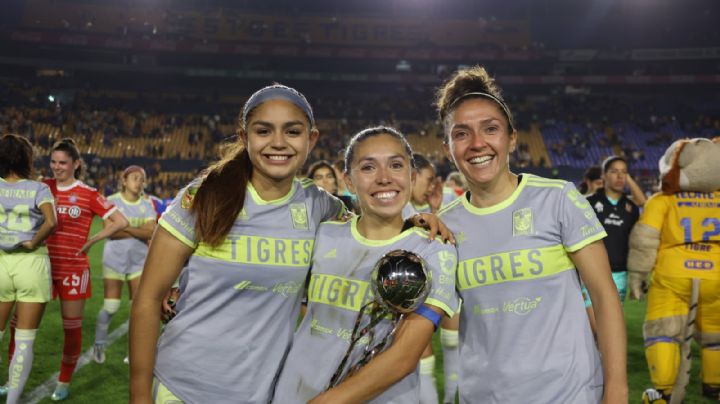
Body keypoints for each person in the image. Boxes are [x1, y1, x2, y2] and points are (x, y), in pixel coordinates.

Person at [129, 84, 351, 404]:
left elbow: (372, 232)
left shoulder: (320, 206)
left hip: (264, 394)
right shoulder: (205, 195)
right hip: (182, 388)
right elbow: (147, 299)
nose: (278, 143)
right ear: (245, 137)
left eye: (292, 131)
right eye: (264, 131)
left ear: (311, 139)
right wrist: (139, 395)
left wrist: (418, 225)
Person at [434, 66, 628, 403]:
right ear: (447, 147)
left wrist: (616, 389)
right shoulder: (445, 224)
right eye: (462, 133)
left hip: (569, 392)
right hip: (483, 395)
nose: (477, 143)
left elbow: (604, 296)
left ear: (512, 137)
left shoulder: (557, 198)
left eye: (490, 129)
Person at [272, 126, 458, 403]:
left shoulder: (433, 248)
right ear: (348, 181)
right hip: (295, 392)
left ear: (412, 176)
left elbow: (404, 357)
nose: (384, 178)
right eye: (368, 167)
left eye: (396, 165)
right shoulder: (323, 235)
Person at [627, 137, 720, 403]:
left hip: (673, 274)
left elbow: (645, 240)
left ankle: (664, 391)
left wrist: (637, 275)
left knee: (663, 330)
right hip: (715, 274)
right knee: (716, 332)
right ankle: (714, 384)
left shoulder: (662, 201)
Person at [0, 134, 57, 403]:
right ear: (26, 159)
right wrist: (33, 240)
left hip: (0, 263)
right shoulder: (38, 188)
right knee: (24, 340)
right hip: (31, 262)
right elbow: (51, 221)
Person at [93, 165, 157, 365]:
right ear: (124, 180)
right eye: (135, 178)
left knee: (137, 310)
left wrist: (123, 227)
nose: (139, 182)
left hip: (139, 263)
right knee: (111, 307)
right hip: (114, 261)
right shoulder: (111, 202)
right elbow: (110, 231)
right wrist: (137, 229)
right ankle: (99, 343)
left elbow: (151, 232)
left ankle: (133, 351)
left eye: (142, 179)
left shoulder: (147, 204)